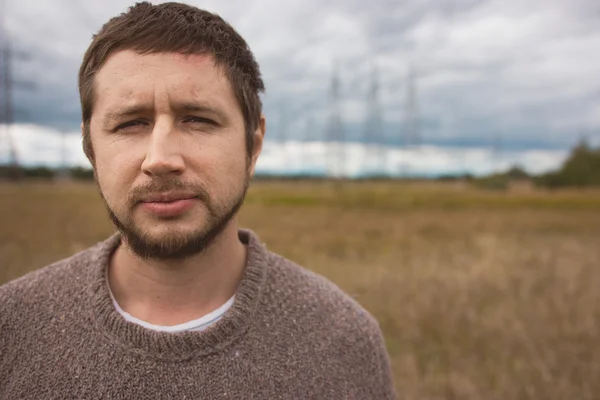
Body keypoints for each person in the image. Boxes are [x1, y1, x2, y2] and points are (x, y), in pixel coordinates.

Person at [0, 2, 396, 398]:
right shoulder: (11, 326)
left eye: (198, 119)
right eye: (131, 123)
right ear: (90, 147)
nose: (161, 160)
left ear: (253, 144)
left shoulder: (344, 339)